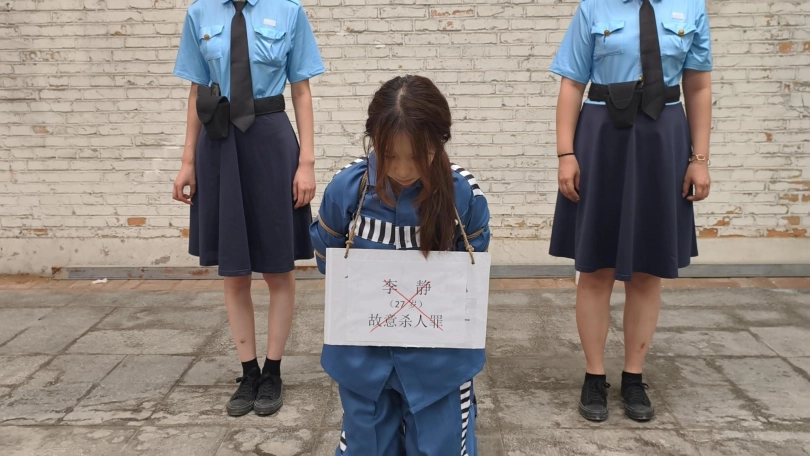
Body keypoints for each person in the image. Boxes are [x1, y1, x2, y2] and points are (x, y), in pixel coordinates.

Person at [549, 0, 713, 421]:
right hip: (602, 138)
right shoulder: (593, 8)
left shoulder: (690, 7)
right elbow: (572, 84)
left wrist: (699, 159)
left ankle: (634, 376)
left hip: (663, 139)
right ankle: (594, 375)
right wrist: (566, 153)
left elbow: (698, 86)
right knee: (596, 266)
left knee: (647, 268)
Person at [310, 75, 490, 456]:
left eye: (419, 155)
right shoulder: (346, 190)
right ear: (374, 140)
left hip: (440, 364)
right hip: (363, 359)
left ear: (440, 141)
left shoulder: (463, 195)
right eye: (390, 155)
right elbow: (330, 264)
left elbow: (472, 277)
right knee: (366, 447)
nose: (404, 170)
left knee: (441, 446)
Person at [171, 0, 325, 417]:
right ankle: (248, 372)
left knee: (277, 267)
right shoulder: (200, 13)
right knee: (234, 270)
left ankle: (273, 371)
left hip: (272, 140)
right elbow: (197, 91)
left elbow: (301, 90)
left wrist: (306, 162)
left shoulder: (288, 11)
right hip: (219, 142)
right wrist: (187, 161)